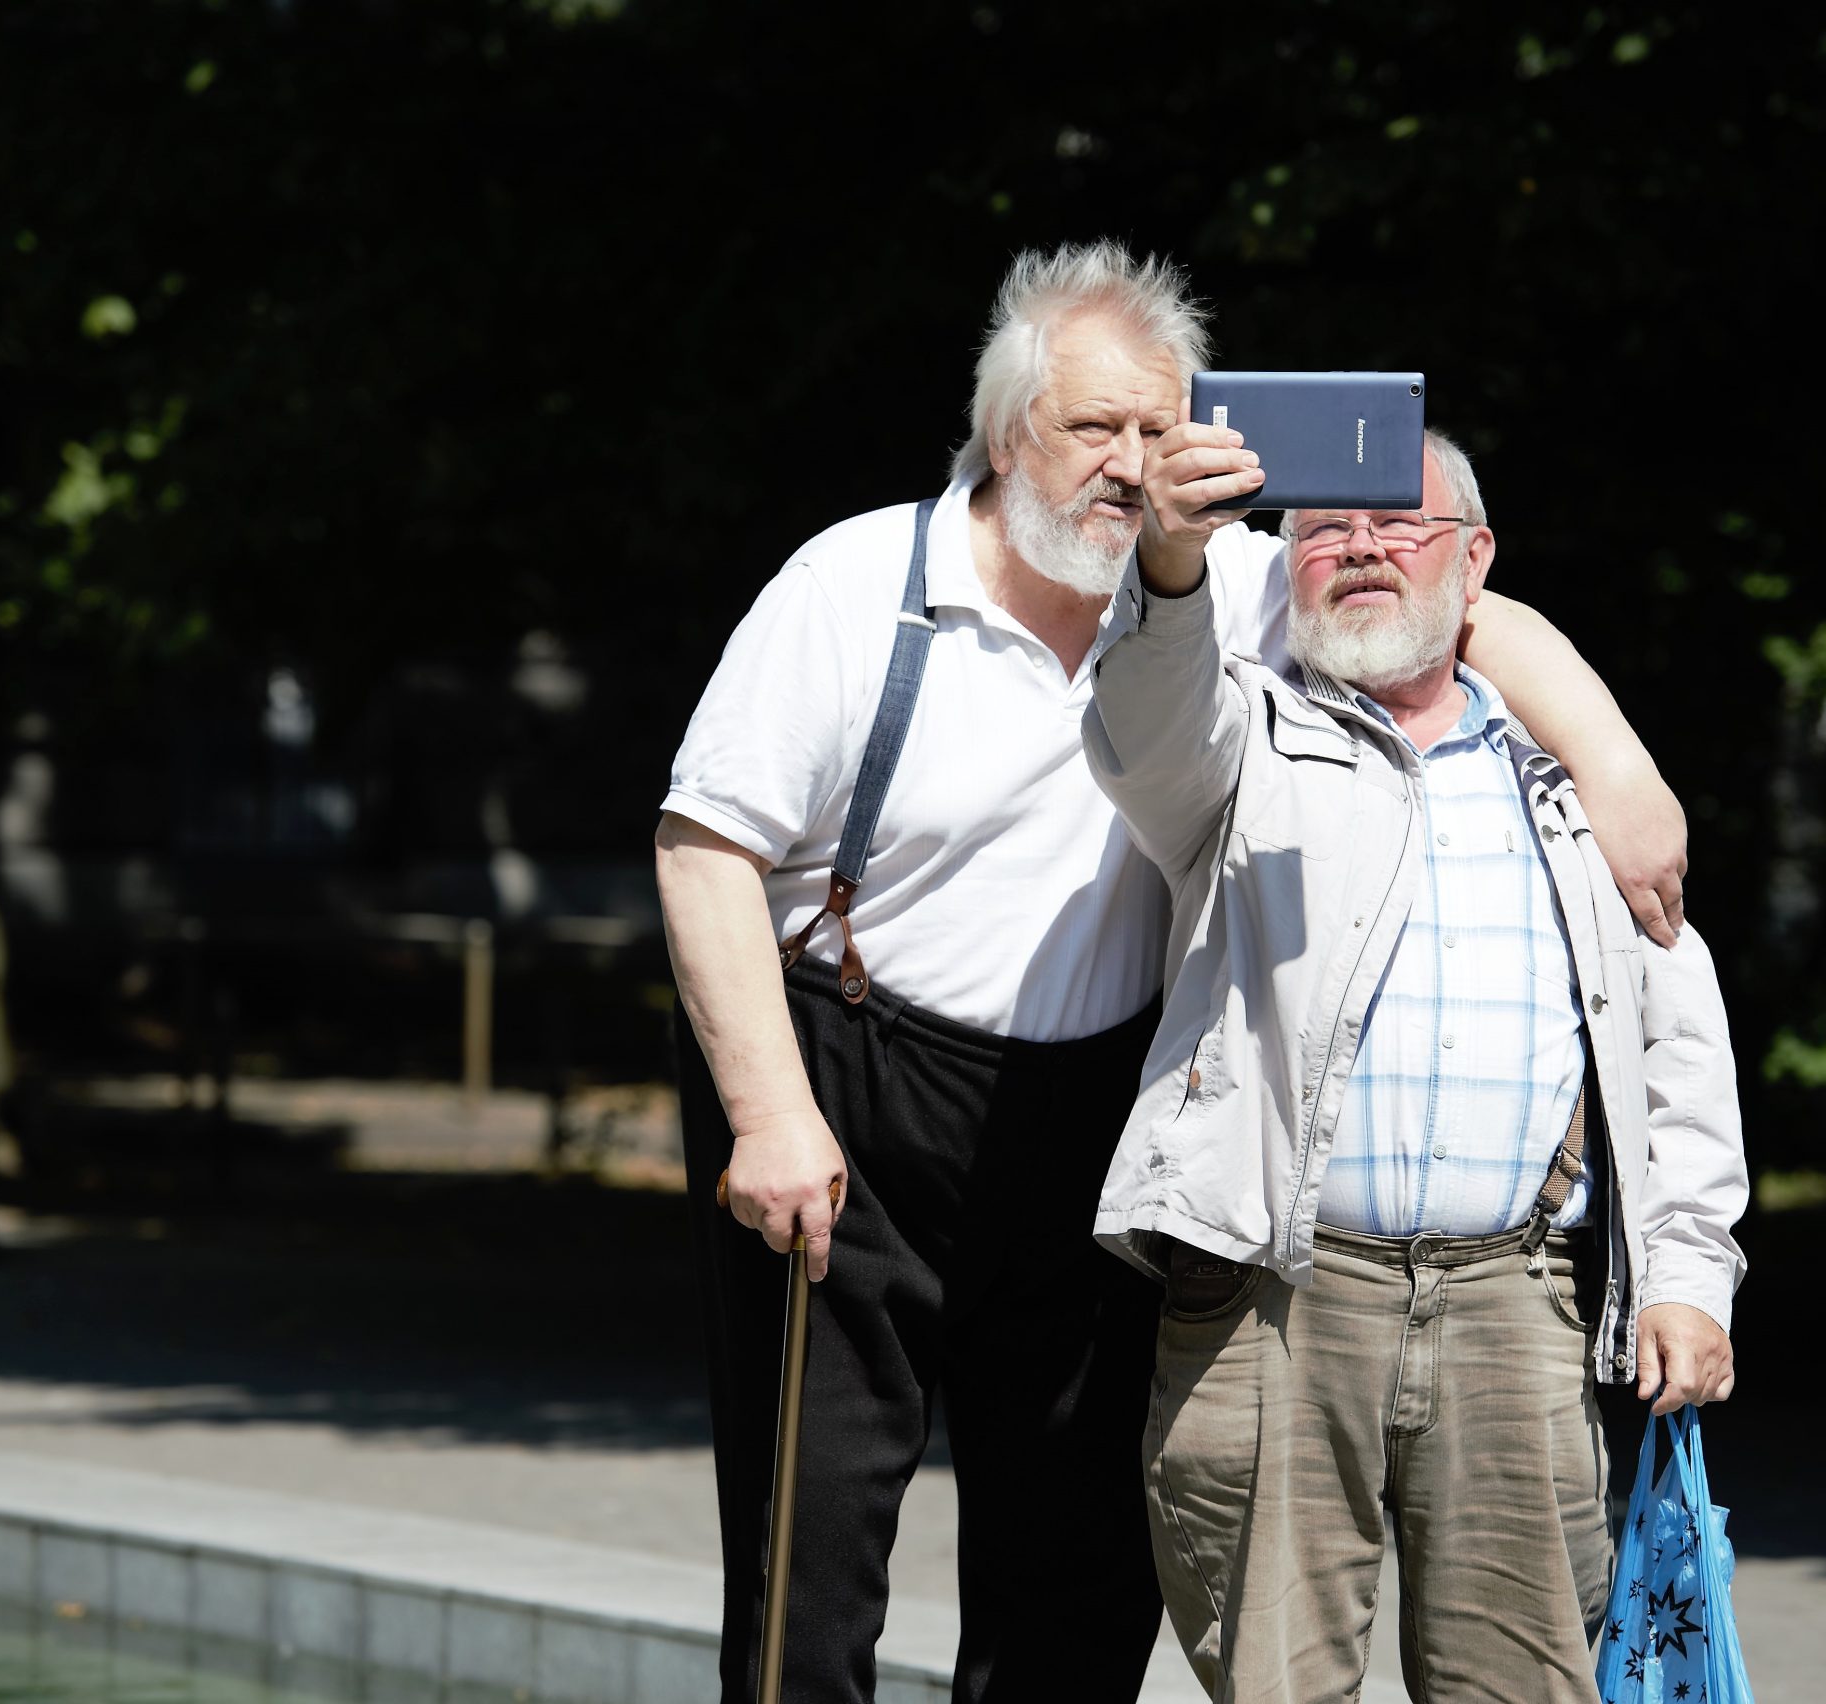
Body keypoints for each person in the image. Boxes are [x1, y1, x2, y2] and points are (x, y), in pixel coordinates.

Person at [654, 241, 1689, 1704]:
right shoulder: (855, 583)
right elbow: (702, 852)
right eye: (1097, 428)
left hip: (1092, 1115)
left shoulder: (1244, 580)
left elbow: (1473, 605)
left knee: (1076, 1571)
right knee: (810, 1569)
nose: (1133, 464)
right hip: (851, 1085)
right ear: (1012, 435)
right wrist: (767, 1113)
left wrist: (1621, 768)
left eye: (1162, 429)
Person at [1082, 418, 1750, 1703]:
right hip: (1278, 1297)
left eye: (1401, 523)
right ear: (1283, 567)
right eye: (1326, 526)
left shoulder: (1574, 785)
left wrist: (1687, 1276)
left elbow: (1678, 1051)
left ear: (1476, 558)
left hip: (1520, 1301)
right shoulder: (1239, 744)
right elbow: (1145, 720)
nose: (1363, 546)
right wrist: (1169, 557)